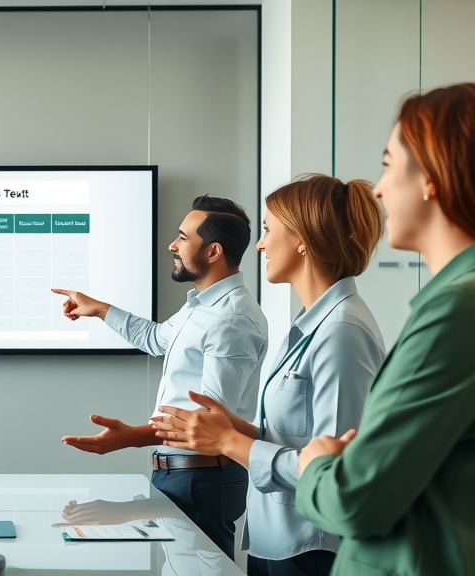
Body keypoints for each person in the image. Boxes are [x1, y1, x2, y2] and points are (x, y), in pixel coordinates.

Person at [151, 175, 386, 576]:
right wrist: (236, 428)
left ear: (302, 240)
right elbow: (299, 437)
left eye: (266, 230)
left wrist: (228, 440)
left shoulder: (342, 332)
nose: (259, 244)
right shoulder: (310, 326)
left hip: (311, 549)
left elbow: (335, 475)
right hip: (277, 542)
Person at [294, 83, 475, 576]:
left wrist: (318, 465)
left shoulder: (456, 311)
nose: (376, 188)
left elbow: (355, 499)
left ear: (431, 177)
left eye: (389, 164)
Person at [53, 196, 267, 559]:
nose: (172, 245)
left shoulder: (231, 320)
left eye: (183, 238)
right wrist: (100, 309)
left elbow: (211, 421)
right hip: (182, 474)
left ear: (213, 251)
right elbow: (155, 339)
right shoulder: (200, 306)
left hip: (203, 477)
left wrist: (133, 438)